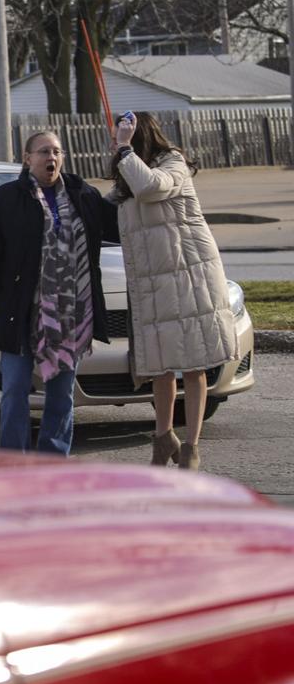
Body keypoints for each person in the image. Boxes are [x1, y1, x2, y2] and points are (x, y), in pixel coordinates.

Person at [0, 131, 118, 455]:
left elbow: (116, 227)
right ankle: (12, 460)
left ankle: (52, 461)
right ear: (27, 158)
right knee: (15, 390)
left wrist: (126, 164)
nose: (51, 158)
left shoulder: (83, 195)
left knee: (62, 395)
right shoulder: (4, 199)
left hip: (69, 313)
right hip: (20, 310)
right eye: (43, 152)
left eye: (57, 152)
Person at [106, 111, 238, 471]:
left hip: (189, 277)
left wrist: (123, 149)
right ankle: (163, 437)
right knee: (160, 366)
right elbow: (108, 208)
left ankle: (191, 446)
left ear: (139, 137)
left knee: (193, 364)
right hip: (154, 284)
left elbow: (151, 187)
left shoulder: (173, 164)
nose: (115, 144)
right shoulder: (128, 176)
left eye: (124, 137)